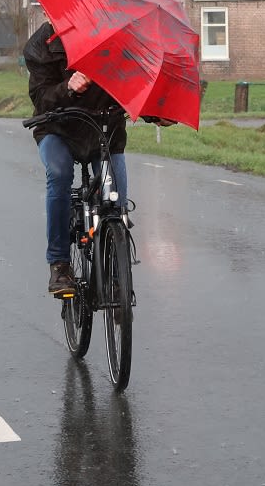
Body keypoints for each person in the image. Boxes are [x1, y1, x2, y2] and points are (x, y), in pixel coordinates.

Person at [24, 18, 173, 296]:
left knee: (114, 198)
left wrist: (158, 113)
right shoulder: (42, 44)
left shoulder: (120, 39)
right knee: (59, 175)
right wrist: (68, 86)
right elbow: (41, 98)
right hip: (58, 129)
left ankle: (116, 274)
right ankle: (59, 264)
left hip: (105, 131)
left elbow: (137, 85)